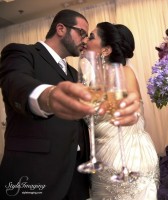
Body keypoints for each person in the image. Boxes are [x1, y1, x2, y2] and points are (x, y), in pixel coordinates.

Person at [0, 10, 140, 199]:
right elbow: (16, 83)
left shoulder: (75, 73)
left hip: (76, 178)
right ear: (61, 29)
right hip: (35, 174)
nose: (85, 41)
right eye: (82, 33)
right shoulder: (22, 52)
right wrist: (48, 96)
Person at [85, 22, 159, 199]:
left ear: (106, 50)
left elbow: (128, 111)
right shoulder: (92, 80)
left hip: (128, 158)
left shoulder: (125, 72)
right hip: (103, 159)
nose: (86, 40)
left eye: (91, 36)